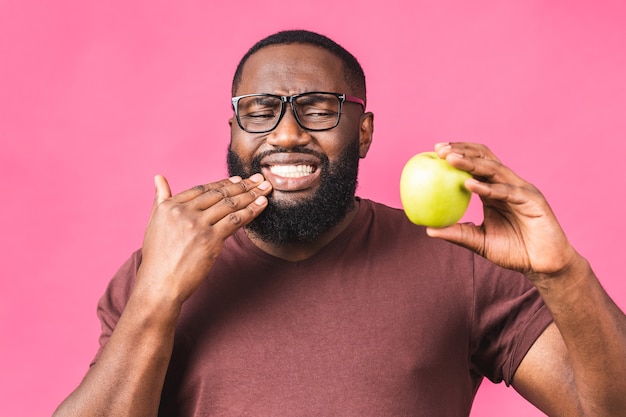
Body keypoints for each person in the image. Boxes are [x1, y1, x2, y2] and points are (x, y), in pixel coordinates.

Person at [54, 30, 626, 417]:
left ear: (365, 131)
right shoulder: (156, 268)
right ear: (231, 131)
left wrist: (562, 274)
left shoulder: (460, 261)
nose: (284, 134)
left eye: (319, 108)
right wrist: (156, 297)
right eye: (258, 110)